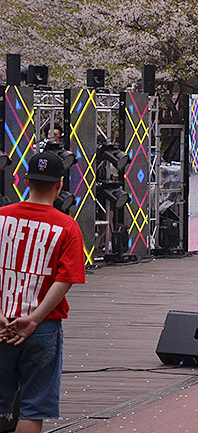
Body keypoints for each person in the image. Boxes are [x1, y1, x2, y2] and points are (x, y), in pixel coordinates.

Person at [0, 152, 86, 433]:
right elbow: (66, 279)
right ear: (59, 185)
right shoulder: (67, 226)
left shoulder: (2, 218)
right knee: (33, 407)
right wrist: (34, 319)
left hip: (1, 324)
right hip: (42, 328)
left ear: (25, 181)